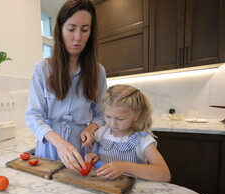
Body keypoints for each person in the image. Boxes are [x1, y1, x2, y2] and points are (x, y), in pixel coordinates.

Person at [25, 0, 107, 172]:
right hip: (48, 149)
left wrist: (91, 129)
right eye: (71, 29)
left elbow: (101, 114)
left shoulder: (98, 72)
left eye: (84, 30)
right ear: (60, 30)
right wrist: (60, 143)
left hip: (81, 150)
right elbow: (33, 116)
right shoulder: (42, 69)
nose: (78, 37)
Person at [85, 84, 171, 182]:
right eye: (108, 117)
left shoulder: (142, 139)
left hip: (133, 192)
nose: (112, 123)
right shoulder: (101, 133)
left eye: (120, 119)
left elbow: (165, 175)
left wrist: (125, 167)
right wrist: (93, 158)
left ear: (136, 115)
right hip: (104, 188)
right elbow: (96, 156)